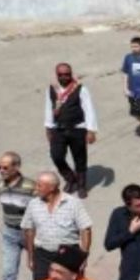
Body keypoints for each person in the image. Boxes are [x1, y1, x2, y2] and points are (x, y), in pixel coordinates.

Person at [20, 170, 94, 280]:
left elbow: (86, 230)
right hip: (42, 255)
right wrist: (31, 256)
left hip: (68, 255)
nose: (36, 188)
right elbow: (29, 230)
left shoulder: (73, 203)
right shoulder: (33, 204)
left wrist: (83, 256)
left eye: (39, 185)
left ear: (52, 188)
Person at [44, 63, 99, 198]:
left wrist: (91, 130)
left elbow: (89, 109)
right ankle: (70, 179)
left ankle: (81, 185)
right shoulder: (52, 89)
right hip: (58, 129)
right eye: (61, 75)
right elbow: (48, 108)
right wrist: (48, 127)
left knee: (80, 158)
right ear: (57, 75)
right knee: (56, 156)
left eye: (67, 74)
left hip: (77, 128)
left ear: (71, 74)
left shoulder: (80, 88)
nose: (64, 77)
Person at [0, 151, 36, 280]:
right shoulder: (1, 185)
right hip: (9, 234)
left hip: (29, 234)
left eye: (5, 167)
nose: (1, 170)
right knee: (8, 272)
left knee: (39, 269)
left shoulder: (30, 187)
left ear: (16, 167)